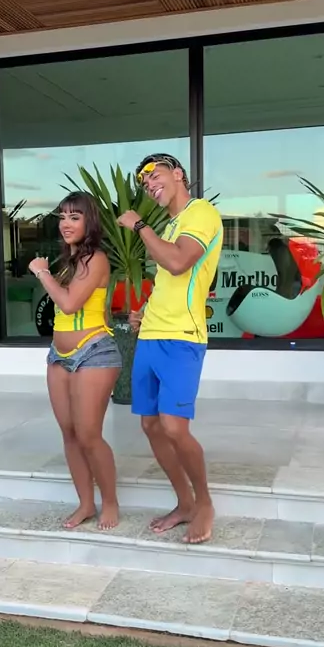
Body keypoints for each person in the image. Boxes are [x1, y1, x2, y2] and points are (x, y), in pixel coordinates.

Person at [117, 154, 223, 544]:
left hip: (182, 336)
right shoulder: (169, 225)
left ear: (178, 174)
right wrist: (143, 311)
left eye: (154, 174)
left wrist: (138, 225)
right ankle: (184, 503)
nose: (148, 184)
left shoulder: (201, 213)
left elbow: (179, 262)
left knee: (175, 427)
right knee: (150, 425)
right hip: (151, 334)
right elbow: (168, 281)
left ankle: (205, 503)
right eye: (143, 182)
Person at [29, 192, 121, 531]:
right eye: (63, 217)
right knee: (69, 433)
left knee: (88, 434)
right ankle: (85, 503)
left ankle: (109, 501)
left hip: (93, 351)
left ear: (89, 222)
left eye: (75, 217)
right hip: (59, 355)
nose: (66, 224)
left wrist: (42, 273)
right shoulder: (68, 260)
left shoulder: (95, 258)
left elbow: (69, 304)